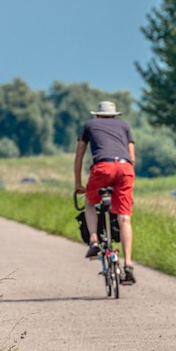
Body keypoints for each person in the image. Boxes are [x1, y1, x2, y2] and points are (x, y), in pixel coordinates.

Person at [74, 101, 137, 285]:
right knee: (124, 218)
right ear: (114, 115)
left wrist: (78, 183)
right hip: (125, 168)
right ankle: (128, 264)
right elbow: (132, 157)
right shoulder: (124, 126)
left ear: (98, 115)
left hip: (103, 168)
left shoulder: (89, 125)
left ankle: (94, 241)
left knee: (90, 203)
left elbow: (79, 155)